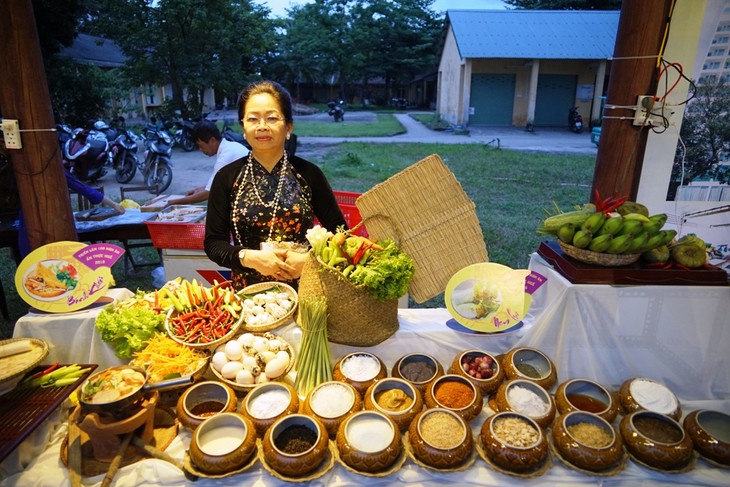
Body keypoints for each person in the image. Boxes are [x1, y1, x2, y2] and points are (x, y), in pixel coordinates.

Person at [204, 80, 346, 290]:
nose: (262, 126)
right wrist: (248, 257)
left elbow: (341, 234)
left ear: (288, 126)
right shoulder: (227, 177)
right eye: (253, 119)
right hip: (249, 298)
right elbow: (214, 243)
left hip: (307, 292)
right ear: (243, 127)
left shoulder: (309, 174)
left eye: (272, 118)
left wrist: (310, 259)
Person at [18, 171, 125, 258]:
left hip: (29, 228)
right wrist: (114, 204)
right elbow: (85, 190)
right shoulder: (52, 169)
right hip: (48, 229)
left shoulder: (21, 171)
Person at [166, 120, 248, 206]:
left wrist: (176, 202)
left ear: (212, 140)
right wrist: (199, 190)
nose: (200, 150)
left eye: (201, 145)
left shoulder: (225, 157)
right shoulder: (230, 147)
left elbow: (210, 193)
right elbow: (217, 184)